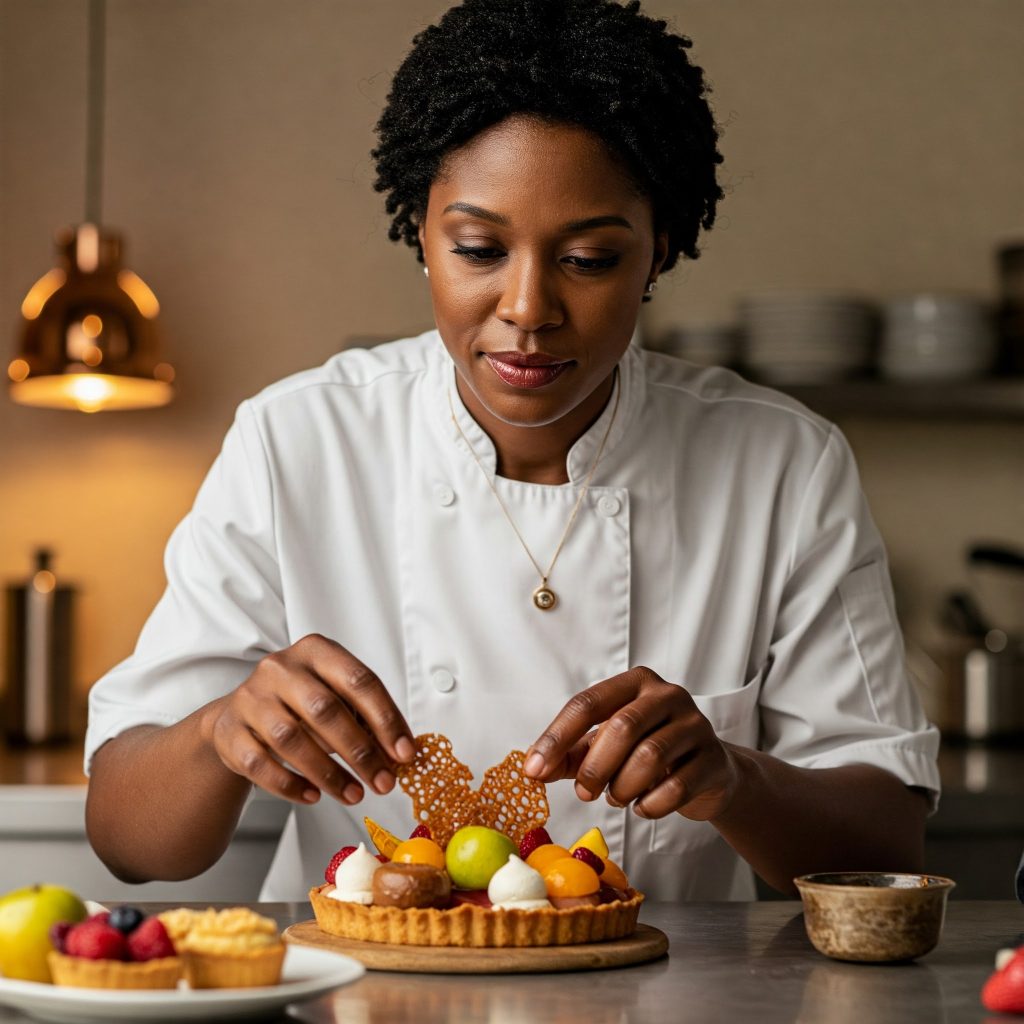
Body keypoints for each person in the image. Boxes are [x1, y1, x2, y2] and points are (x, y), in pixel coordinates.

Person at [84, 0, 939, 903]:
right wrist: (223, 729)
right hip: (363, 999)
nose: (528, 307)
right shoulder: (297, 443)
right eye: (480, 248)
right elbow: (129, 841)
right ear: (421, 232)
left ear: (660, 252)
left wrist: (731, 777)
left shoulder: (782, 467)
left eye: (590, 260)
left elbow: (888, 841)